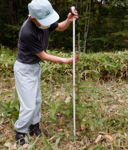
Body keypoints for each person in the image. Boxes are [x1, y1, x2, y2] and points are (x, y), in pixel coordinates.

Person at [14, 0, 79, 146]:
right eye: (45, 21)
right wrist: (66, 61)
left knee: (37, 100)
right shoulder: (27, 31)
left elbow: (61, 27)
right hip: (24, 69)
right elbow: (43, 55)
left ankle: (34, 128)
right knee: (29, 105)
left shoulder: (42, 22)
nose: (48, 23)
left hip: (34, 67)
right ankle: (20, 133)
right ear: (33, 18)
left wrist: (68, 19)